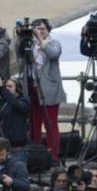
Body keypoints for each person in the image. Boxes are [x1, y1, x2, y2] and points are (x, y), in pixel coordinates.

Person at [23, 18, 65, 162]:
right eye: (36, 28)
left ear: (48, 30)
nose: (38, 31)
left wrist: (41, 39)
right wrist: (22, 36)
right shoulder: (29, 44)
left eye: (42, 29)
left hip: (49, 89)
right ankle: (36, 154)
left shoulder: (54, 43)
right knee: (34, 124)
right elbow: (18, 54)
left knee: (50, 123)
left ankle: (54, 154)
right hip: (33, 88)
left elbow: (53, 54)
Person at [0, 70, 29, 149]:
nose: (7, 89)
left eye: (10, 86)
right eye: (6, 87)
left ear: (18, 88)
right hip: (5, 139)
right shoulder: (4, 101)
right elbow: (4, 93)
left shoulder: (24, 101)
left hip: (18, 142)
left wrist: (2, 87)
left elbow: (15, 104)